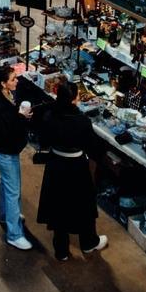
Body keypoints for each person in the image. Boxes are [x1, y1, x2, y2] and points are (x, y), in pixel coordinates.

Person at [37, 80, 107, 262]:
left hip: (56, 165)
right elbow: (93, 147)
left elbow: (43, 139)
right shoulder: (81, 121)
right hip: (76, 167)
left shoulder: (49, 115)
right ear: (75, 99)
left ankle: (61, 250)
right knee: (84, 206)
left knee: (58, 205)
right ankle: (88, 242)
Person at [0, 65, 32, 251]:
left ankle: (6, 216)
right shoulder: (0, 107)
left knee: (5, 183)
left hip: (6, 151)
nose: (17, 81)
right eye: (13, 79)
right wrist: (22, 118)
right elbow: (7, 131)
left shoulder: (4, 96)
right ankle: (14, 234)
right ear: (3, 83)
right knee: (13, 191)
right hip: (6, 153)